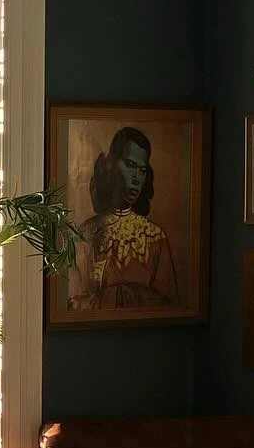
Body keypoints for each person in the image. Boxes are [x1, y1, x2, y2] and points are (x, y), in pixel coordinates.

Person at [69, 126, 180, 310]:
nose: (136, 178)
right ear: (112, 165)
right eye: (130, 166)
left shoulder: (155, 236)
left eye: (142, 170)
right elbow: (74, 300)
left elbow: (170, 304)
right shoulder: (86, 234)